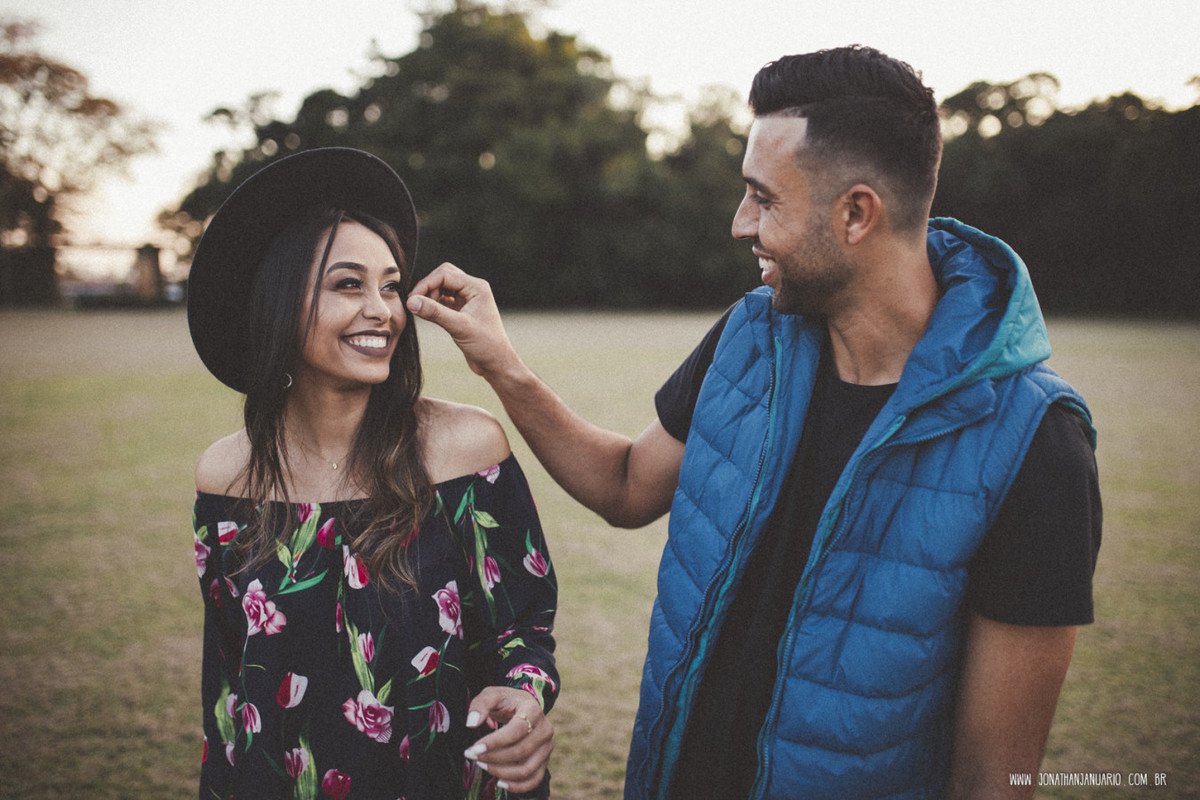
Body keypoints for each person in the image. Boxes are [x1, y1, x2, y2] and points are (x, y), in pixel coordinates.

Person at [405, 46, 1102, 799]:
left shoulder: (1035, 441)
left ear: (857, 213)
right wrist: (502, 365)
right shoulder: (749, 337)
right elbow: (627, 486)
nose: (741, 224)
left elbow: (994, 781)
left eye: (763, 198)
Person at [186, 147, 558, 800]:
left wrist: (525, 693)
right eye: (348, 284)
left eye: (390, 285)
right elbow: (228, 684)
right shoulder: (225, 476)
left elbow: (522, 631)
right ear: (277, 302)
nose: (382, 310)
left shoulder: (463, 450)